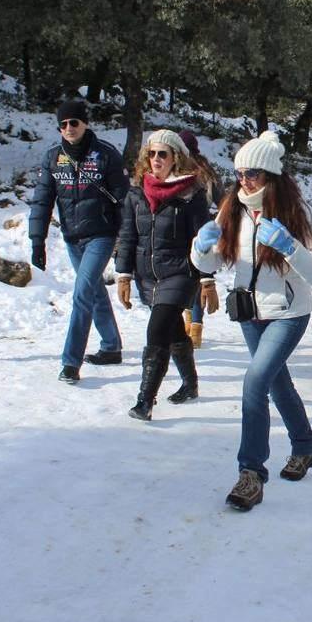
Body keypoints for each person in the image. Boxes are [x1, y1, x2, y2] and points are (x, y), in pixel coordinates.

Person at [190, 130, 312, 512]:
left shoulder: (295, 214)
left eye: (253, 173)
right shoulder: (231, 208)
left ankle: (251, 473)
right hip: (250, 313)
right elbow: (211, 262)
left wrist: (289, 247)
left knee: (255, 383)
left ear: (271, 176)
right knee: (277, 384)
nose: (244, 181)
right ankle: (305, 446)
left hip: (288, 313)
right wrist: (200, 249)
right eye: (239, 172)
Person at [114, 130, 216, 420]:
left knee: (156, 330)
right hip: (147, 275)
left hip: (181, 272)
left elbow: (203, 240)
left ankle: (144, 402)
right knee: (172, 329)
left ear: (176, 158)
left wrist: (207, 279)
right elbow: (128, 235)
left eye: (163, 154)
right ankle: (190, 383)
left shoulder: (192, 195)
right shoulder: (135, 194)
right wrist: (123, 274)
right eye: (152, 153)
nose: (156, 159)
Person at [28, 98, 130, 384]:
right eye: (63, 124)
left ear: (85, 122)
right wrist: (37, 240)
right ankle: (111, 346)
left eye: (74, 122)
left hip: (102, 233)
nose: (69, 128)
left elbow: (124, 198)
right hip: (72, 237)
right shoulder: (52, 157)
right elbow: (42, 200)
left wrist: (127, 238)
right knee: (95, 290)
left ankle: (70, 362)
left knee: (82, 293)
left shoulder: (106, 154)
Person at [178, 129, 224, 349]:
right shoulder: (204, 170)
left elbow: (222, 199)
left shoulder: (198, 172)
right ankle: (192, 324)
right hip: (192, 229)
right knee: (191, 278)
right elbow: (222, 199)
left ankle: (194, 326)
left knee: (193, 277)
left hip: (196, 229)